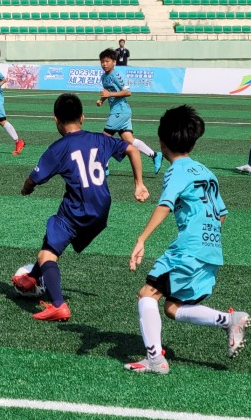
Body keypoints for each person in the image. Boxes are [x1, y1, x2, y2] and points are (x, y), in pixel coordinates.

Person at [126, 105, 251, 374]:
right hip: (212, 249)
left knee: (147, 295)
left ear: (161, 141)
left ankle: (154, 359)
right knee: (174, 307)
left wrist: (142, 239)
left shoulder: (176, 171)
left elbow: (165, 204)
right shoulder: (207, 172)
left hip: (189, 248)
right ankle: (230, 320)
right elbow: (222, 215)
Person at [12, 93, 149, 322]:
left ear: (56, 120)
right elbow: (133, 149)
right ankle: (33, 277)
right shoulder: (100, 139)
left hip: (78, 208)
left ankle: (59, 306)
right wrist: (139, 184)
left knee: (48, 252)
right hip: (102, 208)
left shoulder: (59, 148)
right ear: (83, 118)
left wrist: (27, 189)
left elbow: (33, 179)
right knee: (55, 237)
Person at [96, 48, 162, 174]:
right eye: (102, 61)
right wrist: (102, 100)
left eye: (107, 61)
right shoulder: (103, 77)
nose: (104, 64)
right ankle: (154, 155)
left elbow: (127, 92)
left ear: (114, 62)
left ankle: (105, 166)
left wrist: (108, 95)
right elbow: (107, 93)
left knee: (104, 138)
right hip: (119, 111)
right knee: (129, 140)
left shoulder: (116, 75)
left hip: (120, 112)